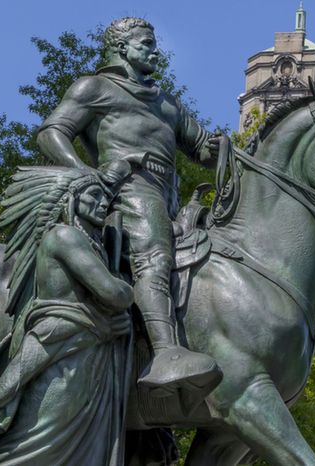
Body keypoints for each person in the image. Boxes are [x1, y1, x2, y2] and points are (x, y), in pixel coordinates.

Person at [36, 17, 220, 393]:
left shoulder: (166, 103)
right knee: (154, 254)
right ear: (122, 48)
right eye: (147, 43)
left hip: (168, 193)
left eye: (155, 44)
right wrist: (84, 173)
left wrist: (222, 149)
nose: (156, 51)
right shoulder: (95, 87)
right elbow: (52, 131)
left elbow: (201, 148)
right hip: (128, 187)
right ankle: (166, 352)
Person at [0, 164, 133, 465]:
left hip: (86, 348)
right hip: (61, 346)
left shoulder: (94, 245)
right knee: (40, 438)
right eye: (93, 195)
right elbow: (115, 295)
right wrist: (127, 288)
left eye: (106, 198)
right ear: (70, 198)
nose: (102, 203)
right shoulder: (64, 236)